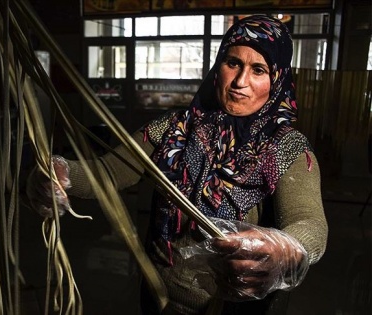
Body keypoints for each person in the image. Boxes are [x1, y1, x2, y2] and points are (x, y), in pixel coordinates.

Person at [26, 15, 328, 314]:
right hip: (161, 300)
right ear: (218, 65)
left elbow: (309, 222)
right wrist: (62, 173)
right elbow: (108, 171)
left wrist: (285, 249)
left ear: (277, 80)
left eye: (258, 70)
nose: (240, 82)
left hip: (235, 309)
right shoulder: (175, 129)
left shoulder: (285, 148)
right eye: (233, 63)